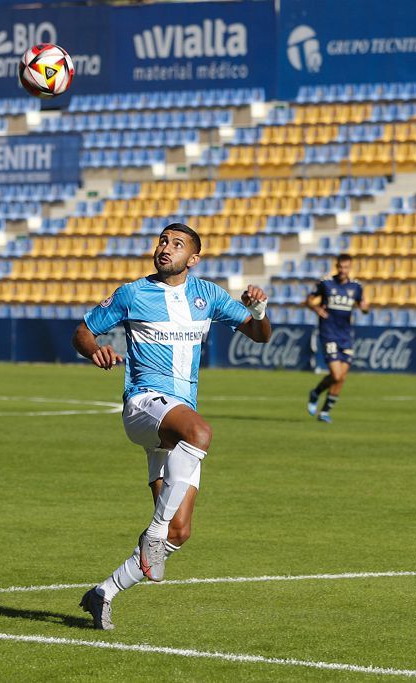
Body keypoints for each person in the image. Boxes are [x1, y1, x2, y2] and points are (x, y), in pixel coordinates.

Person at [71, 223, 271, 630]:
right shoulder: (132, 293)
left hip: (176, 423)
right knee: (200, 433)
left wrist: (259, 311)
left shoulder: (209, 295)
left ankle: (103, 593)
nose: (166, 248)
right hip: (144, 404)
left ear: (192, 259)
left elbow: (259, 335)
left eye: (177, 244)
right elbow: (82, 332)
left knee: (179, 532)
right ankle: (153, 532)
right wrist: (96, 350)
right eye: (163, 241)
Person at [304, 253, 370, 423]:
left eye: (346, 267)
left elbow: (363, 306)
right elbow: (309, 300)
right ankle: (316, 392)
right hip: (329, 333)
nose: (343, 270)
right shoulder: (325, 283)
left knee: (341, 377)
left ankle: (325, 411)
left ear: (350, 268)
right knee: (336, 373)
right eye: (340, 267)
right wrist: (317, 309)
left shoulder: (356, 287)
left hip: (346, 336)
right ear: (336, 266)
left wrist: (364, 307)